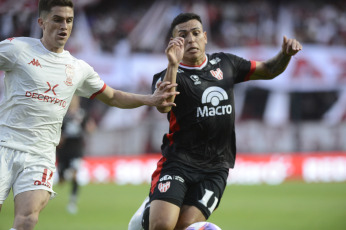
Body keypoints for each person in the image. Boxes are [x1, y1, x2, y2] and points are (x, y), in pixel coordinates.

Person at [0, 1, 178, 230]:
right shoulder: (17, 49)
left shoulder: (78, 68)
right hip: (4, 145)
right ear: (41, 22)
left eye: (69, 20)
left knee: (28, 219)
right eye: (57, 19)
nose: (64, 26)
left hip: (40, 155)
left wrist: (150, 99)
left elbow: (112, 96)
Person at [128, 12, 302, 230]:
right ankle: (148, 212)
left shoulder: (226, 63)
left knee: (185, 226)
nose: (191, 39)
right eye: (183, 36)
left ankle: (155, 206)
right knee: (162, 226)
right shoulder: (166, 76)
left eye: (195, 33)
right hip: (178, 163)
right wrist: (173, 64)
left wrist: (285, 54)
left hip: (216, 168)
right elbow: (164, 105)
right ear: (173, 43)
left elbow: (268, 70)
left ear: (205, 37)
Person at [56, 95, 95, 214]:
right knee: (61, 179)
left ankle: (72, 202)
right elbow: (57, 130)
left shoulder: (82, 114)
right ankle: (65, 174)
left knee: (74, 174)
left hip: (77, 149)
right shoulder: (62, 114)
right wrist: (59, 138)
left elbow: (91, 127)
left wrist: (90, 128)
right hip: (63, 150)